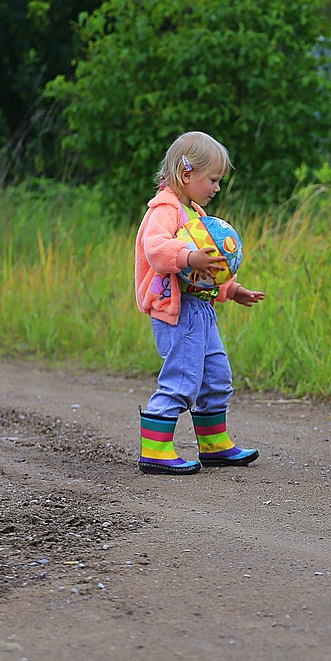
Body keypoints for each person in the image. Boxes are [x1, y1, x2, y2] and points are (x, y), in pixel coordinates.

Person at [133, 130, 266, 475]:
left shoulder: (193, 213)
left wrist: (231, 289)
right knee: (182, 379)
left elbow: (205, 273)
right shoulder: (164, 208)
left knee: (216, 376)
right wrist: (189, 256)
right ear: (186, 173)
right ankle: (155, 449)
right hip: (177, 313)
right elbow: (156, 249)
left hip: (201, 310)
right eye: (213, 179)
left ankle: (214, 444)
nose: (217, 188)